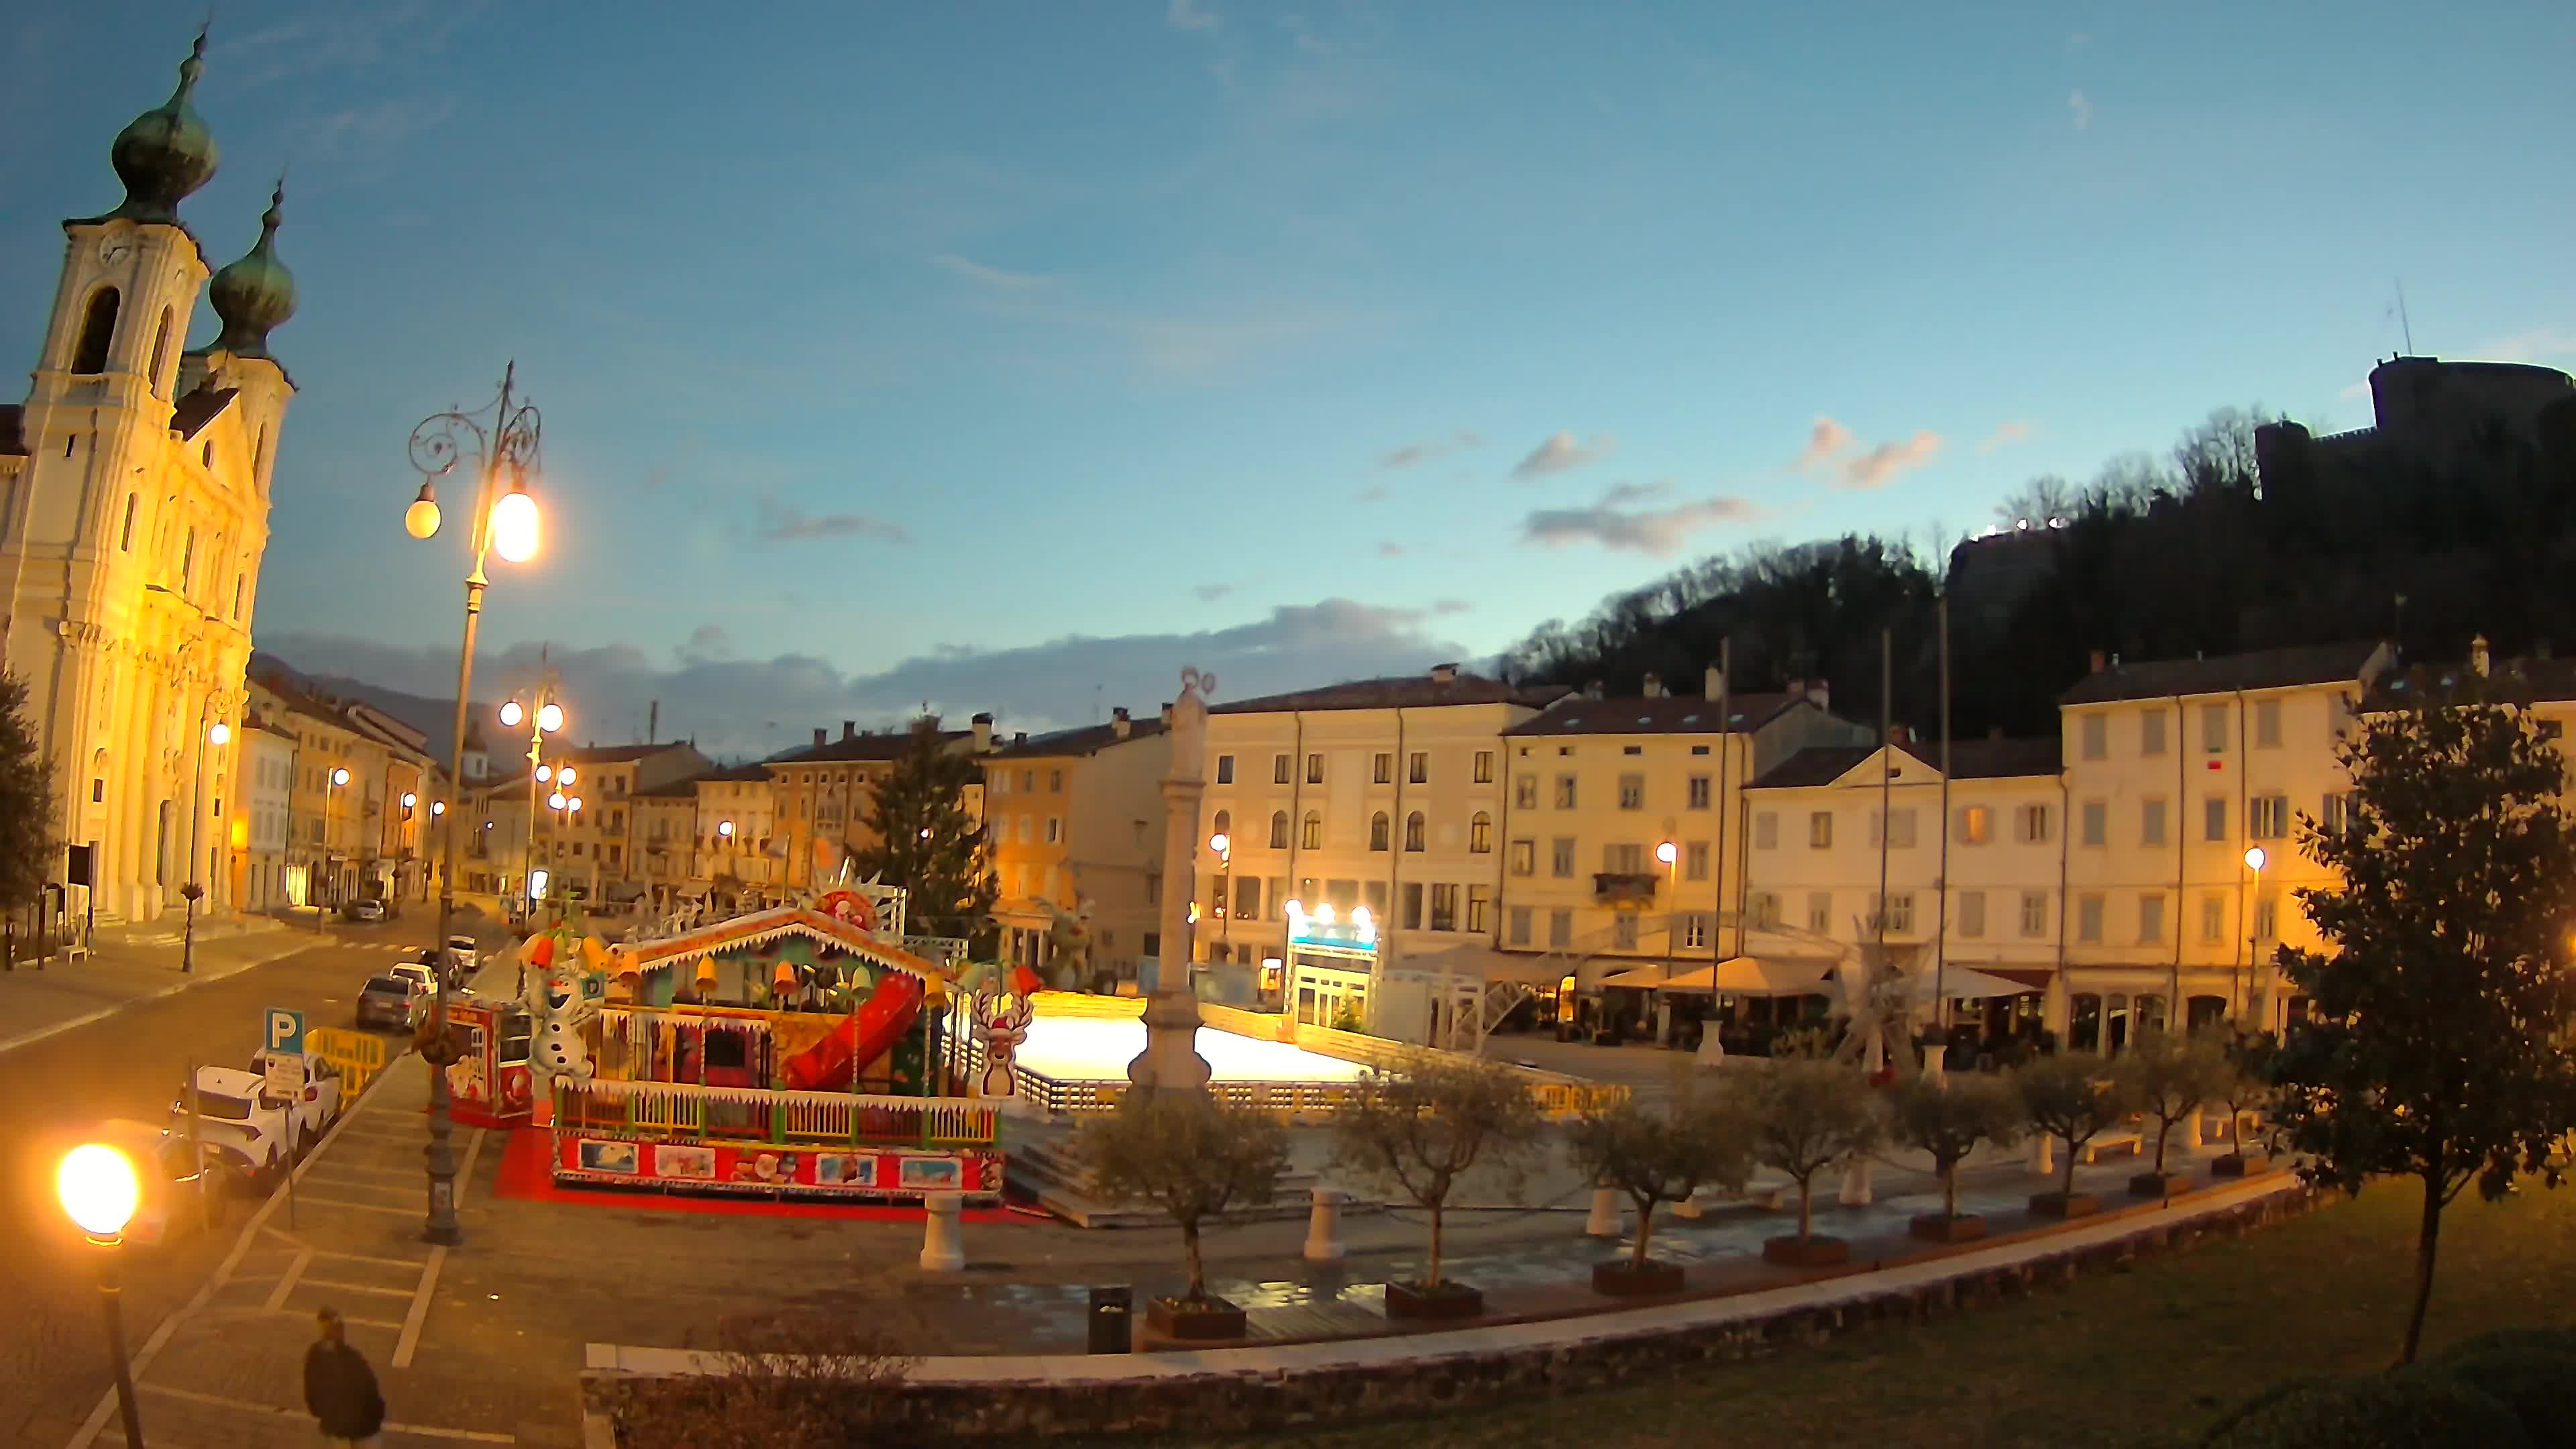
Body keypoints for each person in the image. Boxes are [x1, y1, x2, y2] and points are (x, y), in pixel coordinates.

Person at [304, 1307, 386, 1447]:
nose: (341, 1331)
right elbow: (370, 1389)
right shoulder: (350, 1357)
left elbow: (312, 1394)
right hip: (359, 1429)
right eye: (337, 1327)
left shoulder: (317, 1356)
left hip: (349, 1429)